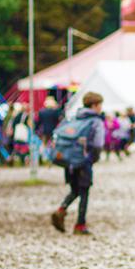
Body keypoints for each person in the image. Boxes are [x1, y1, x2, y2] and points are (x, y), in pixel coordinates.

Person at [51, 93, 105, 236]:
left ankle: (61, 210)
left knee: (75, 189)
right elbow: (98, 144)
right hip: (83, 160)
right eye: (100, 105)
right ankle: (80, 225)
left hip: (69, 160)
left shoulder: (75, 117)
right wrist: (92, 159)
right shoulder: (96, 121)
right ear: (94, 105)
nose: (101, 108)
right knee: (84, 192)